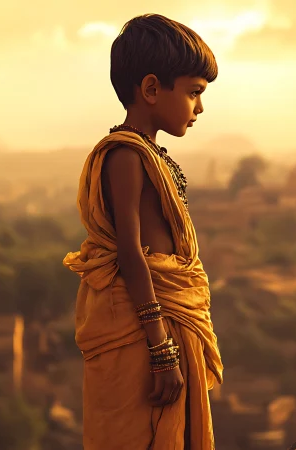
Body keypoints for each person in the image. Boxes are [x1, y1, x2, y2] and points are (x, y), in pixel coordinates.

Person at [63, 13, 224, 449]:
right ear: (152, 89)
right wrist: (160, 348)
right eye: (194, 93)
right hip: (144, 327)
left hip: (172, 317)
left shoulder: (150, 153)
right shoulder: (126, 155)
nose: (200, 108)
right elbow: (130, 252)